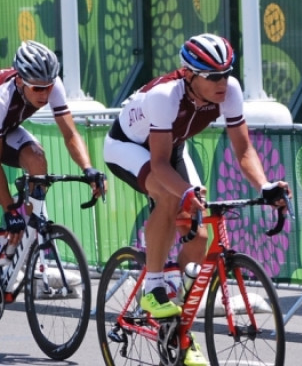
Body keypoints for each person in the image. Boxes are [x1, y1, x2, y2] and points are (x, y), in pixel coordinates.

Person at [103, 33, 291, 366]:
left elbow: (244, 149)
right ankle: (154, 287)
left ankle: (177, 328)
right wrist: (185, 193)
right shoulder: (165, 96)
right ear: (190, 75)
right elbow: (158, 166)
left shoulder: (229, 93)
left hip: (172, 147)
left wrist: (265, 186)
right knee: (168, 196)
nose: (223, 82)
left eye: (227, 73)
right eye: (214, 76)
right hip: (128, 148)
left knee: (201, 233)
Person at [0, 40, 104, 330]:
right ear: (20, 80)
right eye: (37, 88)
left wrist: (89, 168)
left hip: (3, 131)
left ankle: (31, 231)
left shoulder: (50, 84)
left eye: (48, 86)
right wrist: (9, 209)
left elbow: (69, 133)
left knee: (37, 158)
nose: (44, 94)